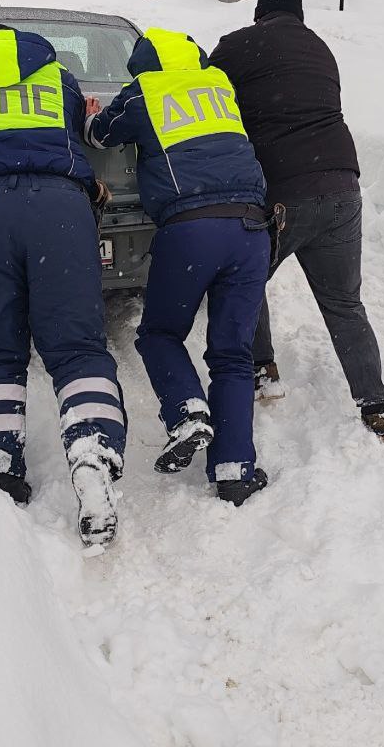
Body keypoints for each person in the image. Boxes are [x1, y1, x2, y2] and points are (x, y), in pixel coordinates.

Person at [0, 25, 127, 547]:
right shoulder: (59, 79)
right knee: (78, 344)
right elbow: (81, 116)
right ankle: (93, 455)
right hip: (60, 206)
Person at [85, 27, 271, 505]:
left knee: (160, 334)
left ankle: (188, 412)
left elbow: (102, 134)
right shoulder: (219, 85)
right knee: (232, 354)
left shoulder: (144, 91)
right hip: (252, 229)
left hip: (192, 231)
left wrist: (90, 118)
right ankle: (234, 470)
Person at [209, 0, 384, 440]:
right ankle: (373, 403)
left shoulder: (239, 44)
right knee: (345, 302)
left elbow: (206, 94)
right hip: (343, 184)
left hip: (284, 189)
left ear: (259, 14)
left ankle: (261, 369)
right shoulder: (321, 49)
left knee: (245, 280)